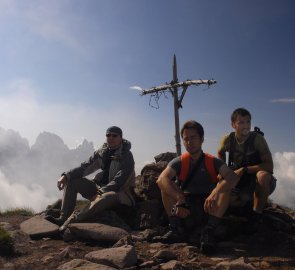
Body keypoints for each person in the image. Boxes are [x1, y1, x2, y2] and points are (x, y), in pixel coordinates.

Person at [155, 120, 239, 255]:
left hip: (209, 207)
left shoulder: (213, 161)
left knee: (225, 187)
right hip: (186, 206)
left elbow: (233, 177)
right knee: (165, 186)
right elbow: (161, 179)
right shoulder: (180, 161)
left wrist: (215, 192)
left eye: (193, 138)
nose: (189, 142)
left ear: (202, 139)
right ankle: (175, 229)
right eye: (185, 139)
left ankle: (209, 231)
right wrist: (179, 198)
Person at [45, 126, 135, 231]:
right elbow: (85, 167)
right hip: (100, 188)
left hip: (120, 193)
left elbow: (119, 180)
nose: (110, 138)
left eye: (114, 135)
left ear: (121, 138)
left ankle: (72, 221)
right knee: (72, 181)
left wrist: (102, 191)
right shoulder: (102, 152)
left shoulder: (126, 155)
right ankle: (63, 218)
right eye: (108, 135)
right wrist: (65, 176)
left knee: (104, 198)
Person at [218, 108, 276, 224]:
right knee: (226, 197)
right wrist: (223, 171)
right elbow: (220, 153)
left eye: (248, 122)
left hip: (259, 181)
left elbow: (269, 166)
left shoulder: (258, 139)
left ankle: (256, 214)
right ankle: (245, 206)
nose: (246, 126)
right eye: (241, 122)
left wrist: (244, 169)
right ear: (233, 125)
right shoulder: (228, 139)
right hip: (240, 181)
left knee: (262, 176)